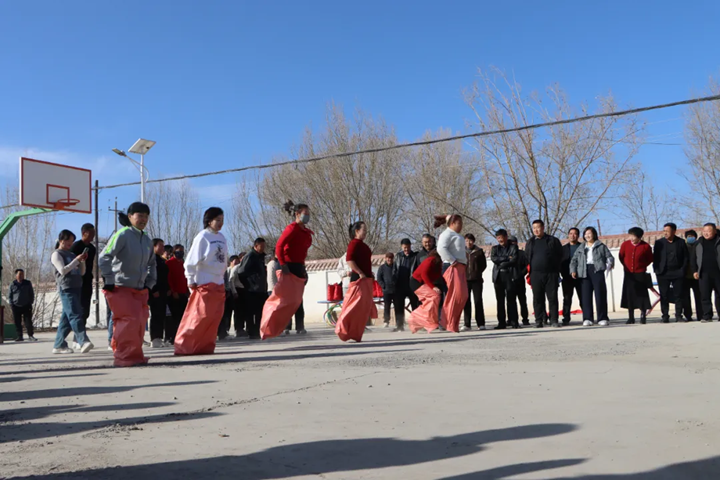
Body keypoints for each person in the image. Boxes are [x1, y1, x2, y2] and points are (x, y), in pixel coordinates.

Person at [99, 203, 156, 366]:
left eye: (146, 216)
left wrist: (150, 282)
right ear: (130, 216)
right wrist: (109, 279)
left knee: (139, 322)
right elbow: (104, 257)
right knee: (127, 321)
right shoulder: (122, 235)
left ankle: (134, 355)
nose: (143, 219)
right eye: (140, 215)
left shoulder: (147, 240)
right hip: (120, 286)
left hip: (139, 289)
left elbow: (152, 263)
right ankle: (123, 357)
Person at [174, 207, 228, 355]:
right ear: (209, 221)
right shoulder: (202, 236)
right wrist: (191, 279)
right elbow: (190, 261)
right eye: (217, 220)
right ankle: (185, 346)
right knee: (199, 316)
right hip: (204, 281)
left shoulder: (222, 237)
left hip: (218, 282)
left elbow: (223, 260)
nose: (220, 223)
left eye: (222, 220)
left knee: (214, 317)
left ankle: (204, 346)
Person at [261, 201, 313, 339]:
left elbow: (301, 253)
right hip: (288, 266)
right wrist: (283, 265)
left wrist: (303, 268)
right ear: (297, 214)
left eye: (308, 213)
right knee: (285, 298)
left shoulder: (304, 231)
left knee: (297, 298)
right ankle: (279, 325)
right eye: (305, 213)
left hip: (298, 266)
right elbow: (279, 246)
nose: (308, 216)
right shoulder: (291, 228)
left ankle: (299, 326)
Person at [335, 221, 377, 342]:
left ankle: (356, 333)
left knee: (363, 309)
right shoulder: (353, 244)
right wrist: (360, 272)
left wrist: (369, 273)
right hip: (358, 280)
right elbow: (349, 260)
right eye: (364, 230)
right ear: (357, 231)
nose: (366, 232)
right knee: (353, 306)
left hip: (366, 279)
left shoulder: (363, 246)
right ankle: (342, 328)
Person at [52, 230, 92, 354]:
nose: (70, 243)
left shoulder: (71, 254)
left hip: (76, 287)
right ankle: (83, 341)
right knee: (75, 315)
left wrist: (82, 261)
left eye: (72, 241)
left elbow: (82, 272)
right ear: (61, 240)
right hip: (66, 288)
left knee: (66, 319)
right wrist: (76, 260)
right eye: (68, 240)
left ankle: (59, 345)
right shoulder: (56, 254)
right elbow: (63, 270)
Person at [570, 227, 614, 327]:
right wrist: (573, 270)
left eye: (589, 233)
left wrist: (610, 263)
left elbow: (609, 256)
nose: (587, 236)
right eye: (585, 234)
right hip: (584, 272)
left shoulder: (601, 246)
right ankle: (587, 318)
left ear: (594, 234)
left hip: (597, 271)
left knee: (600, 295)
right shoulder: (581, 247)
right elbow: (574, 260)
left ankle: (602, 318)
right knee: (585, 296)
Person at [524, 219, 564, 328]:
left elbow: (560, 255)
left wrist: (556, 269)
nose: (536, 230)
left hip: (551, 274)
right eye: (534, 228)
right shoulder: (530, 242)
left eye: (538, 227)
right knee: (538, 298)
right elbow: (527, 257)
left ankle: (554, 320)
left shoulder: (552, 240)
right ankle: (539, 320)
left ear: (543, 228)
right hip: (535, 274)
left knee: (552, 298)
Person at [436, 214, 469, 333]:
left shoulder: (457, 235)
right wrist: (452, 260)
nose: (461, 226)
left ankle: (453, 323)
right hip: (452, 267)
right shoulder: (446, 234)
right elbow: (441, 249)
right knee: (454, 296)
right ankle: (446, 323)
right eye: (459, 223)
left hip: (460, 268)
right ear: (452, 223)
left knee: (462, 296)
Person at [653, 223, 689, 323]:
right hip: (663, 273)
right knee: (664, 295)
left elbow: (685, 257)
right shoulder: (659, 243)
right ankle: (665, 316)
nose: (665, 233)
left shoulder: (681, 242)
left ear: (674, 231)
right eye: (664, 231)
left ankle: (679, 316)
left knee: (678, 295)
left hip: (678, 272)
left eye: (667, 231)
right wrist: (657, 270)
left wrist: (682, 270)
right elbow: (655, 258)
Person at [619, 227, 653, 324]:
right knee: (630, 295)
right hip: (629, 274)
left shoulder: (645, 246)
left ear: (639, 237)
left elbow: (650, 259)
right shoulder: (625, 245)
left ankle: (643, 315)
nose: (632, 238)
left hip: (640, 273)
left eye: (634, 236)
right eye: (630, 236)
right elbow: (621, 257)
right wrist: (627, 266)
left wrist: (641, 266)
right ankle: (631, 317)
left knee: (642, 295)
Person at [70, 223, 96, 350]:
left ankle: (77, 337)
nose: (93, 236)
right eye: (91, 233)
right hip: (77, 281)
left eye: (94, 234)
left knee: (85, 310)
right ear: (84, 233)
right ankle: (79, 338)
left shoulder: (92, 248)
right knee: (77, 310)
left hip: (87, 281)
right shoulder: (76, 246)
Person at [238, 238, 269, 339]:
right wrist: (249, 284)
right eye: (261, 246)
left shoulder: (261, 257)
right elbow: (241, 272)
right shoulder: (250, 256)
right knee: (251, 312)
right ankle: (252, 332)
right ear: (256, 246)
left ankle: (258, 330)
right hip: (252, 290)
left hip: (261, 289)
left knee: (260, 311)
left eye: (264, 246)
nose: (263, 248)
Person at [690, 223, 720, 323]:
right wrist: (694, 270)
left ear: (714, 231)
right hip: (703, 273)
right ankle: (707, 315)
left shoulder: (719, 241)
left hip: (718, 273)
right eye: (704, 231)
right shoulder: (698, 243)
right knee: (705, 295)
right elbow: (693, 258)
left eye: (708, 231)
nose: (706, 233)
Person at [407, 250, 443, 333]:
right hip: (416, 282)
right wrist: (433, 287)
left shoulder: (438, 264)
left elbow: (437, 276)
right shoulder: (430, 260)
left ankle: (424, 321)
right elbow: (424, 274)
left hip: (421, 282)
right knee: (434, 297)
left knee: (433, 299)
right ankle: (416, 317)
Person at [491, 229, 520, 329]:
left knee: (511, 299)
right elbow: (494, 259)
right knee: (500, 301)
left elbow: (514, 260)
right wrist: (507, 258)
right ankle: (501, 323)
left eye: (501, 237)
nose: (500, 239)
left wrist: (502, 262)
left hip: (510, 275)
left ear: (506, 237)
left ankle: (514, 322)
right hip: (498, 276)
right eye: (498, 237)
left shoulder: (513, 247)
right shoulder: (495, 249)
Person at [393, 238, 418, 332]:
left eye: (408, 247)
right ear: (401, 247)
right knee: (399, 305)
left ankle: (416, 324)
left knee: (415, 305)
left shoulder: (415, 256)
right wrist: (394, 280)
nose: (406, 249)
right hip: (400, 284)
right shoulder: (398, 256)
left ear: (410, 246)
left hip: (411, 284)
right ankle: (399, 325)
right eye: (404, 248)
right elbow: (394, 269)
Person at [166, 244, 189, 345]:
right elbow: (169, 279)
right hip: (174, 294)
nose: (181, 253)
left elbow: (186, 278)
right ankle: (172, 337)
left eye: (182, 251)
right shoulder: (169, 263)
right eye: (179, 251)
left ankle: (181, 336)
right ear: (174, 252)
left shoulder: (183, 264)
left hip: (183, 293)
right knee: (174, 317)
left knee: (183, 316)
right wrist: (173, 291)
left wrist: (187, 290)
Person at [463, 234, 486, 331]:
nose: (468, 243)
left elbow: (483, 265)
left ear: (473, 241)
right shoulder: (461, 251)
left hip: (477, 280)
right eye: (466, 241)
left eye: (470, 241)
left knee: (478, 301)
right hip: (465, 280)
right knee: (466, 302)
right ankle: (467, 324)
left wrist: (477, 272)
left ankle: (481, 323)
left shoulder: (479, 251)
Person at [149, 238, 170, 348]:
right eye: (160, 246)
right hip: (155, 292)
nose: (163, 248)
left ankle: (159, 338)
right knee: (156, 315)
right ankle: (154, 338)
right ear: (154, 247)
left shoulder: (161, 260)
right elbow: (150, 275)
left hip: (163, 292)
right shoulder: (151, 259)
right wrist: (153, 290)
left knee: (161, 315)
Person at [560, 228, 582, 326]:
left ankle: (587, 317)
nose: (573, 235)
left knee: (583, 298)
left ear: (578, 235)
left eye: (575, 234)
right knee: (567, 298)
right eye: (571, 233)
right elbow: (560, 262)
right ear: (568, 235)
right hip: (567, 277)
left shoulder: (582, 247)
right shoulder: (563, 249)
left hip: (581, 277)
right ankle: (566, 318)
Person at [8, 269, 36, 342]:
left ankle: (30, 335)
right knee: (17, 322)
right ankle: (19, 336)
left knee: (28, 322)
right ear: (16, 275)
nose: (21, 276)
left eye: (22, 274)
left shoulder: (27, 283)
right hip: (16, 306)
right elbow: (10, 295)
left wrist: (31, 302)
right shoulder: (13, 284)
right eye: (20, 274)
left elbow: (31, 293)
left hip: (26, 305)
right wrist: (11, 304)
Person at [509, 235, 530, 326]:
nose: (512, 244)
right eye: (510, 243)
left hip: (520, 279)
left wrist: (521, 274)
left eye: (513, 242)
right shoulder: (507, 253)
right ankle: (511, 319)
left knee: (522, 300)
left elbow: (527, 266)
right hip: (509, 280)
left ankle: (525, 318)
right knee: (510, 301)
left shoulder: (522, 254)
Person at [219, 254, 241, 341]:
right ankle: (224, 330)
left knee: (231, 311)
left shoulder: (234, 268)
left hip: (228, 292)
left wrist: (228, 290)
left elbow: (227, 282)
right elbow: (229, 280)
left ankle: (226, 330)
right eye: (235, 260)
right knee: (225, 312)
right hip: (223, 291)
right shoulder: (226, 269)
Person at [682, 230, 702, 321]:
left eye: (692, 236)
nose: (691, 238)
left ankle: (700, 315)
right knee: (686, 297)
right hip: (685, 276)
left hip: (696, 276)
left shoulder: (699, 246)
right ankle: (688, 315)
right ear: (686, 238)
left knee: (699, 296)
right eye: (689, 236)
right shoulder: (683, 247)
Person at [227, 254, 247, 337]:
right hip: (236, 290)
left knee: (243, 311)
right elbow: (231, 280)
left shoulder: (246, 267)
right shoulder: (236, 267)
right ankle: (237, 329)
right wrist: (234, 292)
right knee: (237, 311)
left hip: (244, 290)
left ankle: (241, 328)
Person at [377, 253, 397, 328]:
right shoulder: (382, 268)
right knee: (387, 306)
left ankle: (399, 321)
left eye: (391, 258)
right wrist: (383, 286)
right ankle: (386, 321)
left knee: (397, 306)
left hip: (395, 290)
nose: (389, 259)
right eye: (388, 258)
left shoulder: (396, 266)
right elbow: (379, 278)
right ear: (385, 258)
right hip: (386, 290)